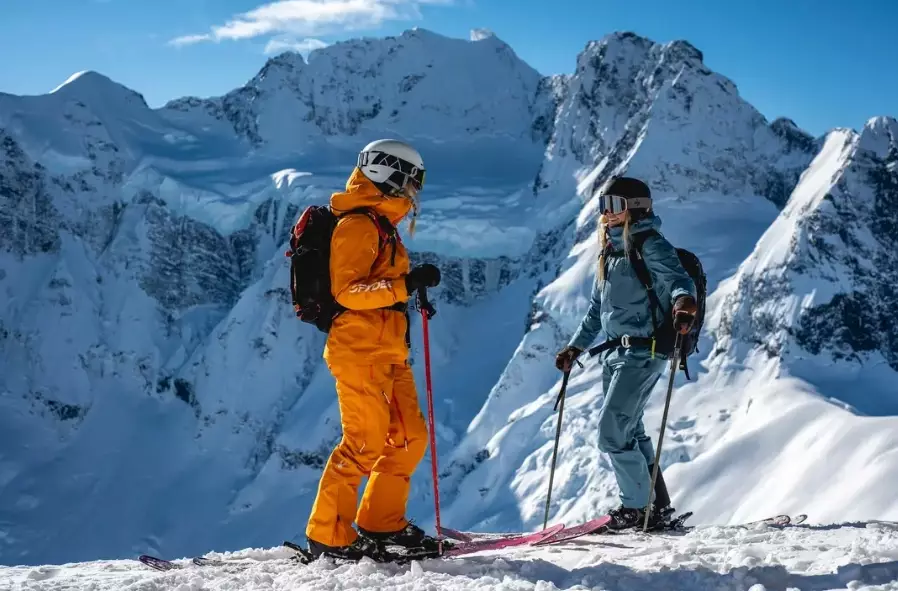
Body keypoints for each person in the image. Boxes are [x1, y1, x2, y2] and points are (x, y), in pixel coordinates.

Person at [305, 139, 442, 560]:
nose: (412, 194)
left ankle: (382, 524)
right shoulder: (359, 226)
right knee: (363, 443)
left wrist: (405, 291)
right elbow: (347, 292)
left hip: (387, 350)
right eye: (409, 183)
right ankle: (329, 536)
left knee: (408, 436)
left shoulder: (383, 227)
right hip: (359, 350)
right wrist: (404, 286)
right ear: (388, 174)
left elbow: (377, 289)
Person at [555, 176, 697, 530]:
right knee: (630, 430)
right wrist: (575, 347)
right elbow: (595, 312)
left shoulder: (650, 245)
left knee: (611, 433)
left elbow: (680, 280)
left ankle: (635, 509)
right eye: (603, 205)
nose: (606, 214)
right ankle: (657, 507)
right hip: (614, 355)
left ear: (635, 209)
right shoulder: (610, 251)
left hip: (643, 352)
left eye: (614, 206)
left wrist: (683, 302)